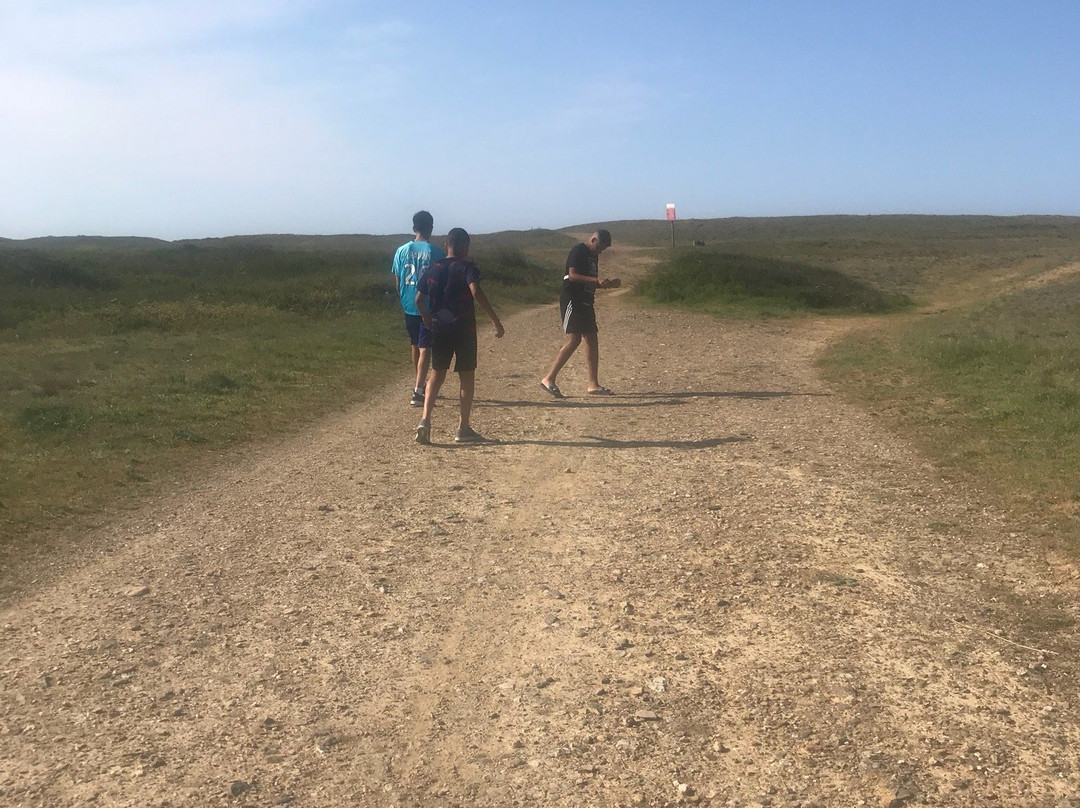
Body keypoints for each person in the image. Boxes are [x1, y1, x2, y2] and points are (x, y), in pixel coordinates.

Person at [414, 228, 505, 445]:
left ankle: (425, 420)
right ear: (465, 247)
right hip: (464, 330)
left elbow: (418, 299)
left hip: (439, 329)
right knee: (466, 377)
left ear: (446, 245)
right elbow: (476, 291)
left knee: (436, 375)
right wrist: (495, 320)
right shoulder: (467, 267)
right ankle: (463, 428)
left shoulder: (432, 269)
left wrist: (426, 318)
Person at [539, 229, 619, 398]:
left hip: (586, 301)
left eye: (604, 249)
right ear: (594, 239)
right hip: (572, 299)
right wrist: (596, 280)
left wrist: (607, 284)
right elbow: (572, 275)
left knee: (591, 338)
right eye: (601, 247)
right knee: (574, 339)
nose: (601, 251)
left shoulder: (593, 256)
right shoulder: (579, 250)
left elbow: (589, 280)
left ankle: (593, 384)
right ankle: (549, 378)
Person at [391, 210, 447, 406]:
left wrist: (404, 298)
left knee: (415, 344)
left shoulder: (401, 251)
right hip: (428, 305)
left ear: (414, 227)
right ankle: (419, 389)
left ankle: (420, 383)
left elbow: (397, 280)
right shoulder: (436, 252)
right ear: (431, 228)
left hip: (407, 303)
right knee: (426, 348)